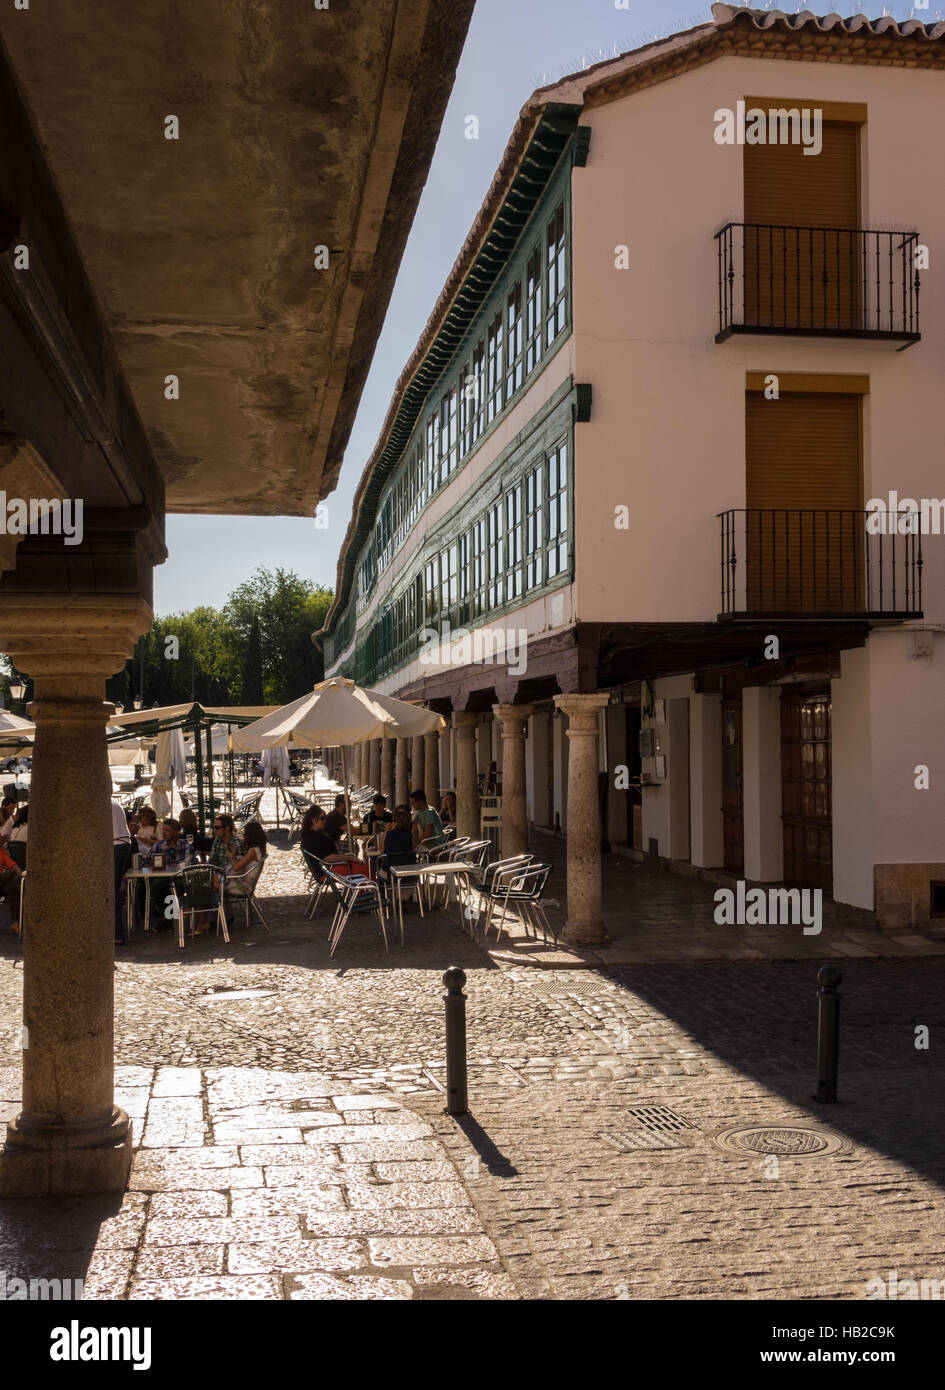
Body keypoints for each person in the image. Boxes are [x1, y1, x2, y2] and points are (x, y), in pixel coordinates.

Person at [299, 805, 367, 876]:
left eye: (325, 818)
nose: (325, 821)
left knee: (361, 867)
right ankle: (370, 886)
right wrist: (351, 858)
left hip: (328, 869)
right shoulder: (314, 837)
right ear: (313, 820)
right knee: (364, 868)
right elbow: (329, 858)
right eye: (322, 818)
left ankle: (363, 885)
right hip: (329, 871)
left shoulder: (310, 835)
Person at [111, 796, 132, 944]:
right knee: (113, 890)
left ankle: (117, 933)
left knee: (111, 892)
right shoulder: (113, 801)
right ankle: (116, 933)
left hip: (115, 845)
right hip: (122, 843)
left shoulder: (98, 801)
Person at [0, 839, 23, 936]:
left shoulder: (1, 851)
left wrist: (22, 875)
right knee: (12, 876)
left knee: (13, 884)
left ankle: (15, 923)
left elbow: (13, 866)